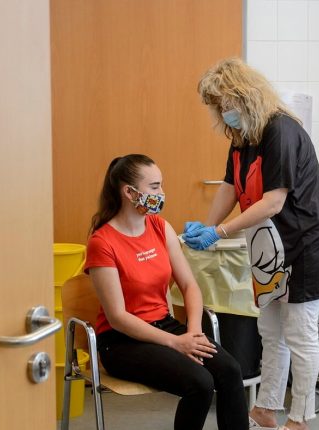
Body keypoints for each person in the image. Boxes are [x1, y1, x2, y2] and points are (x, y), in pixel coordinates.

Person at [182, 58, 319, 430]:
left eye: (225, 103)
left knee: (300, 334)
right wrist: (207, 225)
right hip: (271, 251)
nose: (223, 112)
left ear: (245, 96)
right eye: (217, 106)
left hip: (304, 249)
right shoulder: (242, 136)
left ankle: (299, 419)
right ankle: (266, 408)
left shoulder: (280, 131)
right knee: (270, 332)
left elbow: (273, 203)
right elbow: (230, 186)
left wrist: (220, 233)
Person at [84, 154, 248, 430]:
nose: (161, 193)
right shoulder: (102, 242)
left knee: (230, 371)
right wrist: (175, 343)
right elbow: (117, 317)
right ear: (129, 192)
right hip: (122, 342)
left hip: (165, 326)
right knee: (200, 383)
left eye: (161, 185)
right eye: (154, 186)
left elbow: (189, 285)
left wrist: (193, 333)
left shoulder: (160, 227)